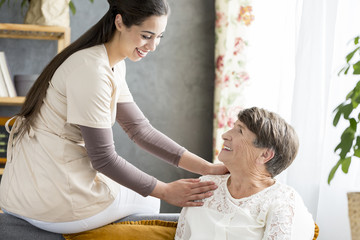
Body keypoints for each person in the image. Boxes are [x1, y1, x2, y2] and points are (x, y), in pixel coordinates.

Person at [0, 0, 228, 234]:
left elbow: (140, 131)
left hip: (26, 190)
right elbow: (104, 159)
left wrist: (207, 168)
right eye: (146, 36)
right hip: (49, 198)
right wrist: (165, 191)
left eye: (159, 37)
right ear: (119, 22)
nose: (153, 46)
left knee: (142, 193)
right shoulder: (92, 71)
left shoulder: (109, 63)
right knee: (150, 200)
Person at [175, 107, 315, 240]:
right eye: (233, 127)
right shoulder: (205, 186)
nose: (225, 135)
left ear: (264, 155)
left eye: (240, 131)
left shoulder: (283, 202)